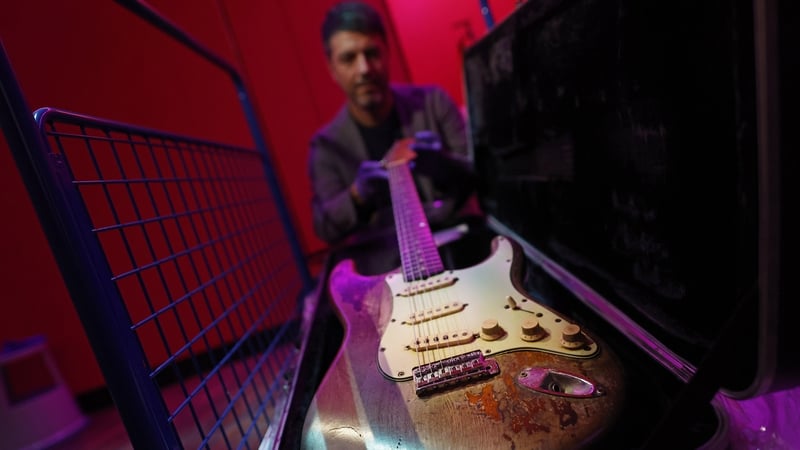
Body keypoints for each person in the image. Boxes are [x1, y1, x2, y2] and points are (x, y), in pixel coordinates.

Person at [308, 1, 492, 275]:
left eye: (372, 53)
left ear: (387, 52)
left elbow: (482, 172)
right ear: (331, 68)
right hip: (385, 273)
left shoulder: (434, 102)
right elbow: (325, 226)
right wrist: (357, 196)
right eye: (349, 58)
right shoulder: (326, 147)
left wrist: (443, 164)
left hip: (461, 252)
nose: (364, 69)